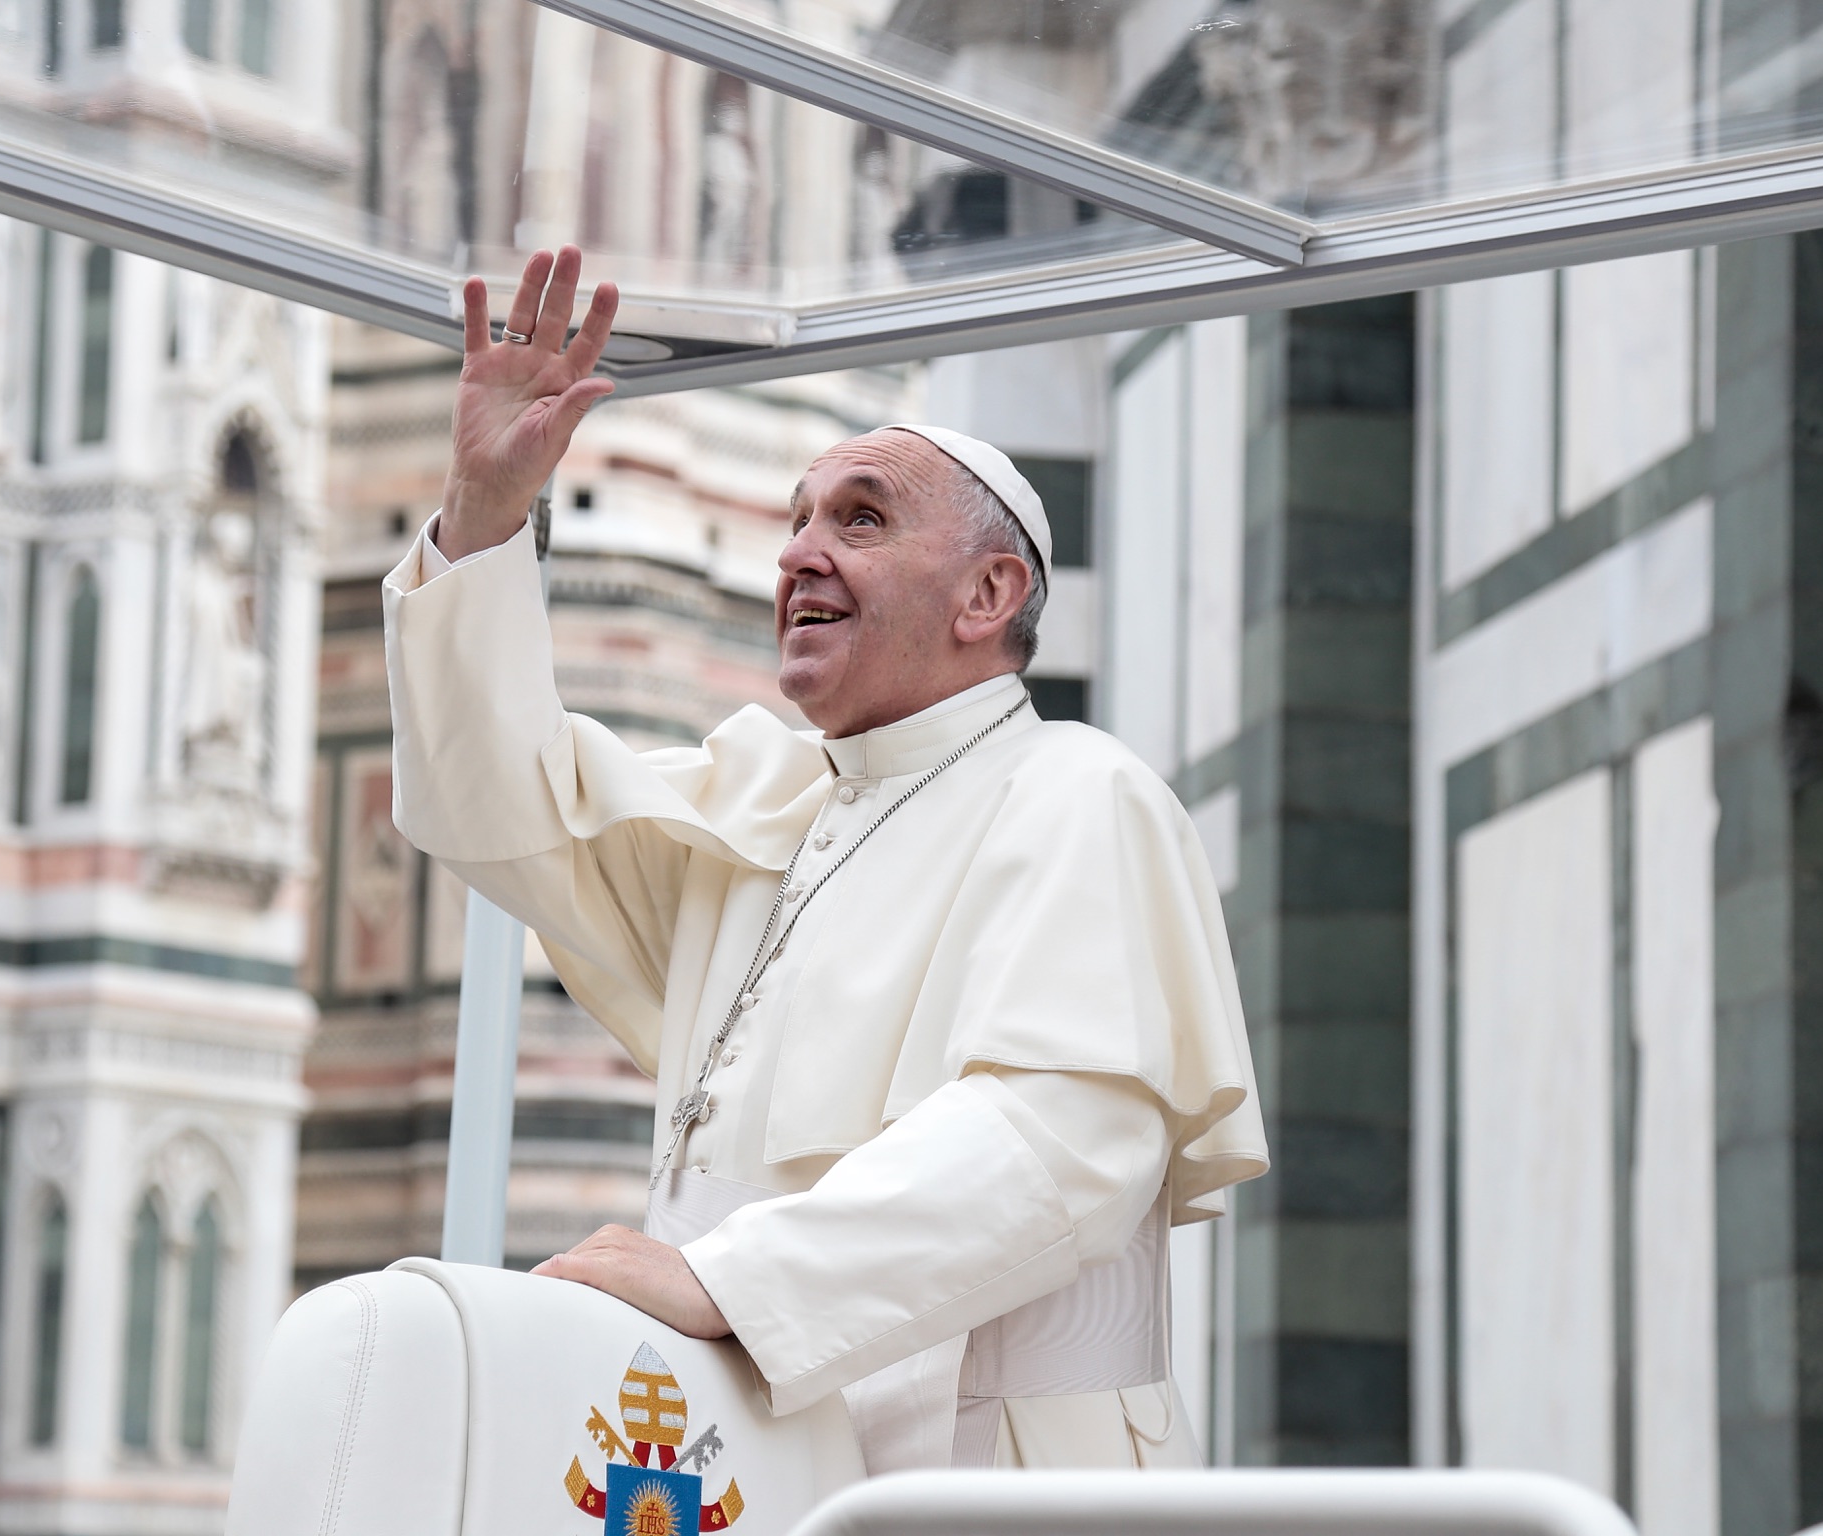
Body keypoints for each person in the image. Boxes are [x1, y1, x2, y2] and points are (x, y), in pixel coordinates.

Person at [384, 247, 1266, 1472]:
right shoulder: (768, 810)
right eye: (796, 519)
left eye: (860, 518)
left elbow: (1058, 1138)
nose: (800, 552)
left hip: (977, 1476)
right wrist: (484, 516)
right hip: (729, 1455)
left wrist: (726, 1283)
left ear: (987, 593)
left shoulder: (1080, 793)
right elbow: (496, 804)